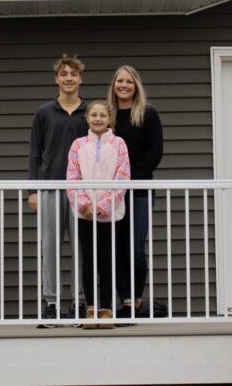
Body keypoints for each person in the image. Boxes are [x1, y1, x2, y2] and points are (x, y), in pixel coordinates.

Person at [28, 54, 88, 326]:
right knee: (50, 246)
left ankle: (78, 302)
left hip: (82, 189)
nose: (69, 78)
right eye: (64, 74)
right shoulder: (44, 113)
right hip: (50, 187)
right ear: (56, 79)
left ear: (80, 79)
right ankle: (51, 303)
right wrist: (33, 190)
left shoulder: (89, 112)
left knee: (81, 248)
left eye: (73, 74)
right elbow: (35, 152)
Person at [66, 100, 130, 329]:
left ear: (109, 119)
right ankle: (91, 308)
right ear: (87, 118)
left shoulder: (119, 144)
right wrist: (84, 205)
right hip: (85, 214)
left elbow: (123, 176)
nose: (98, 119)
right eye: (93, 115)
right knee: (89, 260)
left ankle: (107, 309)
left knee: (107, 259)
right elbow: (72, 177)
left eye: (103, 115)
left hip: (111, 214)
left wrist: (104, 206)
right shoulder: (78, 145)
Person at [107, 65, 163, 317]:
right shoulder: (107, 115)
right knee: (117, 248)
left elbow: (155, 151)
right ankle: (124, 301)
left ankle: (136, 299)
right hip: (111, 193)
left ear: (136, 85)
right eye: (120, 81)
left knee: (136, 248)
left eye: (129, 81)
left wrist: (130, 179)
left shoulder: (147, 114)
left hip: (139, 190)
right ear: (113, 85)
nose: (124, 85)